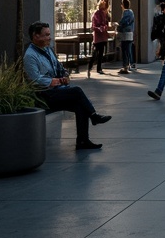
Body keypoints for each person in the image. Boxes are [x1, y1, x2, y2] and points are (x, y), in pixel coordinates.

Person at [24, 21, 111, 150]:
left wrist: (64, 76)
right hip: (43, 94)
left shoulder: (48, 50)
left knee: (79, 105)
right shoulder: (30, 56)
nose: (50, 37)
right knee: (76, 91)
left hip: (56, 91)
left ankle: (83, 141)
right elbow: (34, 79)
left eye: (49, 34)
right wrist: (54, 81)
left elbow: (59, 67)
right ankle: (94, 116)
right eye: (46, 35)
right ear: (36, 36)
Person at [88, 0, 111, 78]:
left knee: (100, 52)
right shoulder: (98, 13)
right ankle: (93, 66)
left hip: (102, 36)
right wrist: (103, 28)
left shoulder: (105, 14)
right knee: (97, 52)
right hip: (99, 36)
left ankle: (98, 67)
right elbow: (94, 26)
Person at [116, 0, 135, 74]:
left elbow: (123, 22)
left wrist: (118, 26)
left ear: (123, 5)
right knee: (128, 50)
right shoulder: (131, 12)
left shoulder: (126, 12)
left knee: (124, 50)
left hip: (125, 34)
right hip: (130, 34)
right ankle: (130, 64)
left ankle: (125, 66)